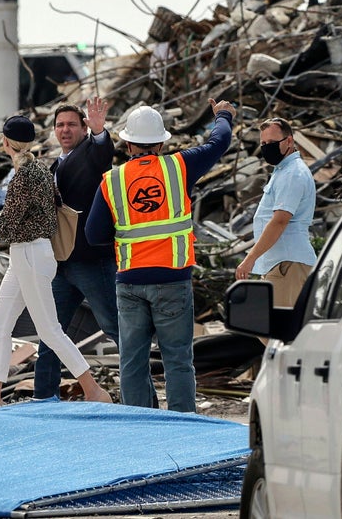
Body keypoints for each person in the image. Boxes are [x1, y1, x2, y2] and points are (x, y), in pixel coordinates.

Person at [85, 98, 236, 412]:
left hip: (130, 283)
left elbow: (93, 234)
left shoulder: (112, 180)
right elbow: (219, 141)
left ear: (127, 144)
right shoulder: (179, 166)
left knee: (132, 361)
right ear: (161, 142)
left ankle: (141, 429)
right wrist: (222, 114)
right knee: (178, 360)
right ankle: (183, 426)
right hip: (172, 279)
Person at [0, 115, 112, 409]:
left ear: (5, 142)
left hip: (30, 254)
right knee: (0, 326)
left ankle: (93, 390)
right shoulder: (38, 168)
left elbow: (8, 221)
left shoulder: (24, 175)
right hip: (26, 254)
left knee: (49, 330)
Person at [33, 97, 119, 401]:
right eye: (60, 125)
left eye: (71, 124)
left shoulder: (90, 153)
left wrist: (99, 132)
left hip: (92, 261)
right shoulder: (56, 164)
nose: (65, 129)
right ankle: (43, 399)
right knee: (50, 332)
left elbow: (103, 156)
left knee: (117, 329)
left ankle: (142, 398)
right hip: (62, 264)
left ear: (83, 128)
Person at [234, 117, 317, 325]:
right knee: (268, 329)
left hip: (288, 264)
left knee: (278, 332)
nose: (266, 148)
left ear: (289, 141)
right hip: (278, 264)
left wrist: (250, 257)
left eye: (271, 143)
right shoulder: (283, 171)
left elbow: (280, 221)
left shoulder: (293, 174)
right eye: (263, 144)